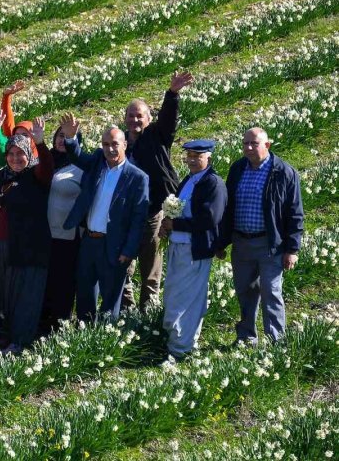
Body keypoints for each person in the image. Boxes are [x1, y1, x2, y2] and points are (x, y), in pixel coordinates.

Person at [0, 120, 54, 354]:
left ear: (29, 154)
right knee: (2, 292)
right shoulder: (1, 177)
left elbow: (47, 167)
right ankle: (6, 334)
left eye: (21, 153)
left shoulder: (36, 176)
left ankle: (20, 339)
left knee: (24, 293)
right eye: (11, 153)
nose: (16, 158)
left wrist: (40, 142)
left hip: (27, 248)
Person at [217, 127, 304, 343]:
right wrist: (221, 241)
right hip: (241, 242)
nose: (248, 147)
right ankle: (246, 337)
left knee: (270, 291)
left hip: (269, 243)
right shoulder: (237, 168)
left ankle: (276, 340)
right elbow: (227, 208)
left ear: (267, 145)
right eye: (245, 143)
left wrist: (292, 249)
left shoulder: (283, 172)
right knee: (245, 291)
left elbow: (295, 212)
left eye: (254, 143)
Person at [61, 115, 149, 322]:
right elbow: (77, 157)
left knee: (110, 300)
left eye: (115, 144)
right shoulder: (98, 162)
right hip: (90, 241)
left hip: (115, 246)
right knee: (84, 294)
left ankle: (105, 339)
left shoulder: (137, 178)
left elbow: (139, 219)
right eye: (106, 144)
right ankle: (84, 337)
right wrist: (71, 138)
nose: (110, 149)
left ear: (125, 145)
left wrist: (128, 251)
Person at [121, 71, 194, 310]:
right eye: (131, 116)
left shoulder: (157, 136)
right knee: (124, 267)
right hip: (126, 214)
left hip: (152, 212)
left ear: (148, 118)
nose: (135, 120)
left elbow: (168, 120)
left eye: (139, 116)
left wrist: (172, 94)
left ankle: (148, 311)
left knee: (151, 267)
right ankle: (127, 310)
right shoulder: (120, 143)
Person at [160, 140, 227, 359]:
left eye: (197, 156)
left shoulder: (213, 183)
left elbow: (209, 219)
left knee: (186, 300)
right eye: (189, 155)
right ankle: (183, 343)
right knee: (175, 296)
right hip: (178, 246)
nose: (191, 160)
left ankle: (180, 350)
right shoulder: (189, 180)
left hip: (194, 249)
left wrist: (175, 225)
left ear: (208, 157)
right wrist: (167, 225)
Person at [40, 123, 84, 334]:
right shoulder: (44, 161)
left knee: (63, 282)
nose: (60, 140)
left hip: (67, 235)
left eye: (66, 136)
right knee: (44, 280)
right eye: (59, 135)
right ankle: (41, 323)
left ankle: (60, 325)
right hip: (43, 233)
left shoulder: (79, 167)